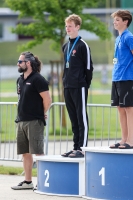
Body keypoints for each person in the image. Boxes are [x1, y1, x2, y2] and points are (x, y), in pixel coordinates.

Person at [11, 52, 52, 190]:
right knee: (25, 153)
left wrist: (41, 113)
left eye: (20, 61)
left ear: (28, 63)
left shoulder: (38, 79)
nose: (18, 63)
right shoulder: (20, 79)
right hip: (21, 120)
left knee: (38, 152)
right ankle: (28, 182)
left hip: (34, 121)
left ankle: (42, 183)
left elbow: (47, 100)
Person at [61, 14, 93, 158]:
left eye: (70, 26)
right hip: (68, 86)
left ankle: (82, 148)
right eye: (66, 26)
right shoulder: (66, 46)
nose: (68, 28)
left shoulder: (82, 45)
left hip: (79, 85)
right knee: (73, 118)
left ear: (77, 27)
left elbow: (88, 67)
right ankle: (75, 147)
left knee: (81, 117)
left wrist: (85, 84)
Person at [109, 10, 133, 149]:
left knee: (129, 108)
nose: (115, 22)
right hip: (117, 77)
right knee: (120, 108)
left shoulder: (129, 37)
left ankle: (131, 140)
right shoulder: (118, 38)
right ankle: (124, 138)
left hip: (127, 78)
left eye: (118, 20)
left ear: (125, 22)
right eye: (114, 20)